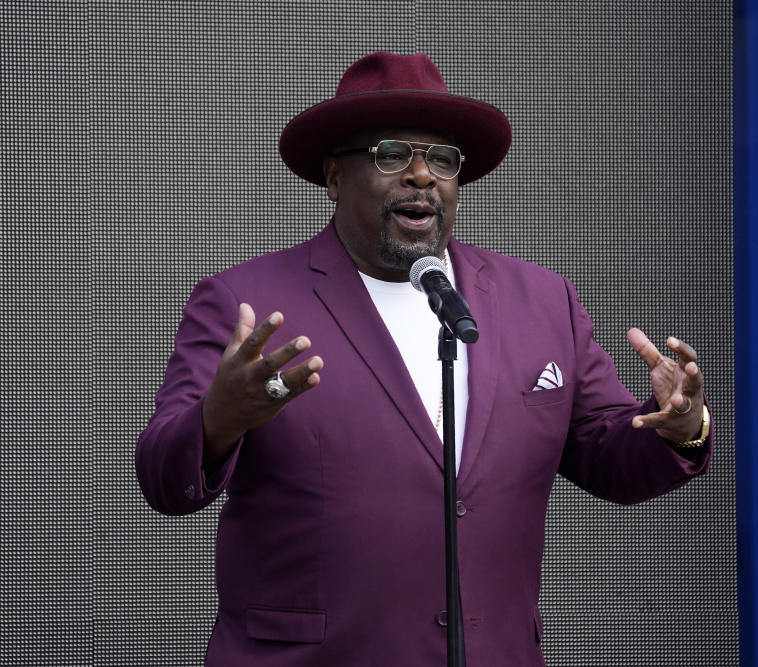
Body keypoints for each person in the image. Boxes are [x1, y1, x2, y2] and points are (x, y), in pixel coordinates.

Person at [136, 51, 712, 666]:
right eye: (391, 155)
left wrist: (678, 428)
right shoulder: (246, 302)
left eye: (441, 159)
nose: (420, 176)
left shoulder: (543, 301)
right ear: (334, 176)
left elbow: (610, 458)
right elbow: (165, 482)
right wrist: (219, 419)